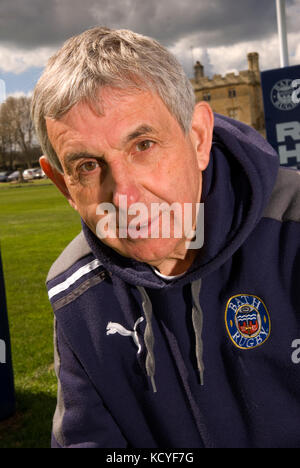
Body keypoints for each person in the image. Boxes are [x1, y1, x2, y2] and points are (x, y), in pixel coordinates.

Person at [31, 26, 300, 449]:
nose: (124, 196)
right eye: (87, 166)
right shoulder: (78, 293)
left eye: (144, 144)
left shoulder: (293, 232)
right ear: (63, 185)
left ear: (197, 139)